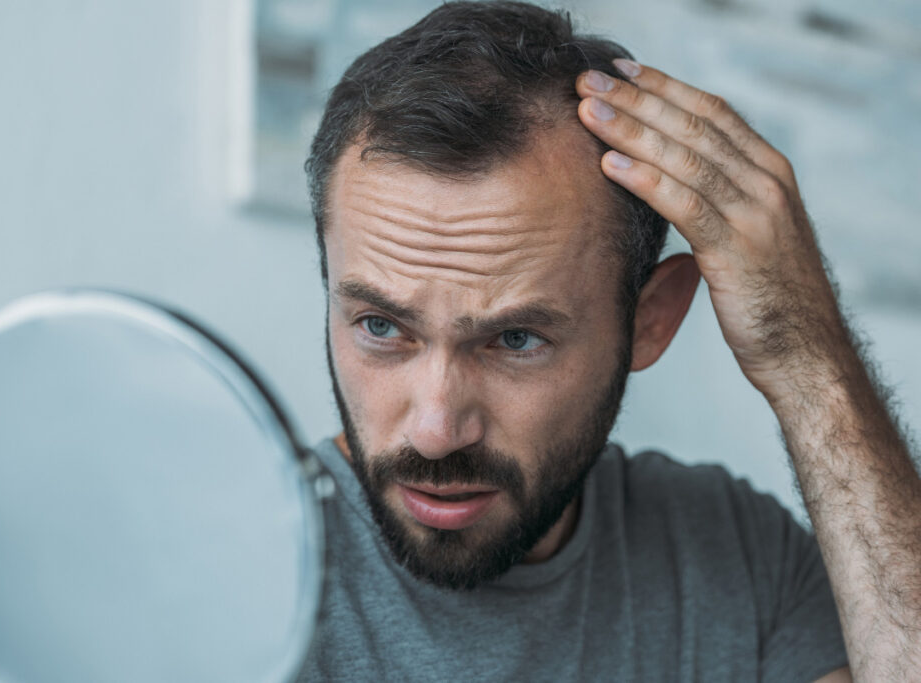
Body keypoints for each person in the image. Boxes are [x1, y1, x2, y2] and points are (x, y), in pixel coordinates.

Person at [295, 2, 920, 680]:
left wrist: (808, 357)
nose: (437, 429)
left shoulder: (737, 559)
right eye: (381, 327)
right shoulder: (226, 565)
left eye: (515, 338)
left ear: (650, 320)